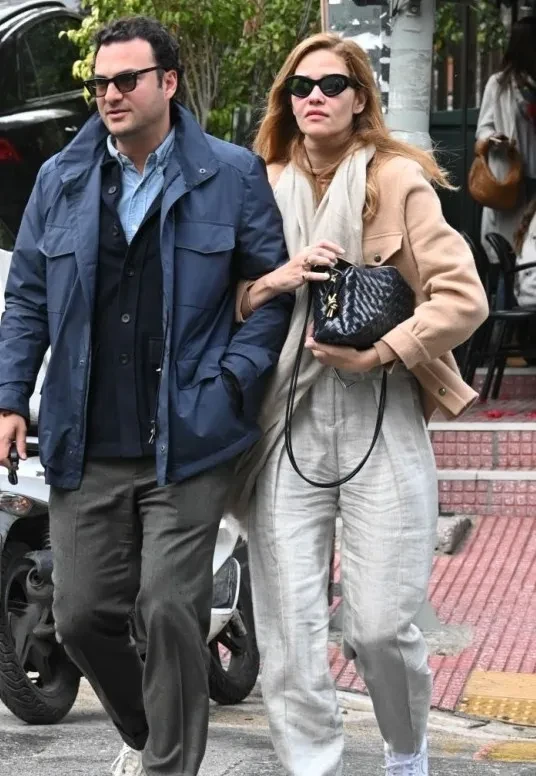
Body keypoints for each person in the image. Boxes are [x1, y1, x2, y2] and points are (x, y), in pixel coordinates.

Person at [0, 16, 293, 776]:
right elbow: (27, 298)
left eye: (126, 80)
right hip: (85, 438)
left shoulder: (231, 174)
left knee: (167, 608)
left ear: (168, 82)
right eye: (100, 83)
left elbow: (272, 294)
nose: (110, 94)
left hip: (189, 436)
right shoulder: (60, 180)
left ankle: (168, 765)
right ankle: (150, 732)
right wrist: (10, 399)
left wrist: (230, 382)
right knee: (79, 616)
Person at [227, 33, 489, 776]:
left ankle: (406, 751)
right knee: (288, 630)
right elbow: (228, 300)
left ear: (359, 98)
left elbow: (463, 298)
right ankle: (313, 765)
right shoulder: (257, 183)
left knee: (378, 627)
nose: (314, 96)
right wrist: (280, 278)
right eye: (300, 86)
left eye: (332, 85)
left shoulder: (396, 179)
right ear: (286, 100)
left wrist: (383, 351)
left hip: (382, 411)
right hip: (284, 420)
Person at [476, 16, 536, 261]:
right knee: (509, 248)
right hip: (511, 177)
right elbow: (483, 128)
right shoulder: (499, 84)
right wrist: (495, 139)